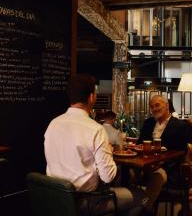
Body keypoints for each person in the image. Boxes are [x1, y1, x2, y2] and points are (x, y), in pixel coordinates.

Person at [44, 74, 148, 216]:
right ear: (92, 97)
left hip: (55, 199)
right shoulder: (95, 129)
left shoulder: (53, 124)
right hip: (86, 202)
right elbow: (108, 177)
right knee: (141, 196)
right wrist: (109, 153)